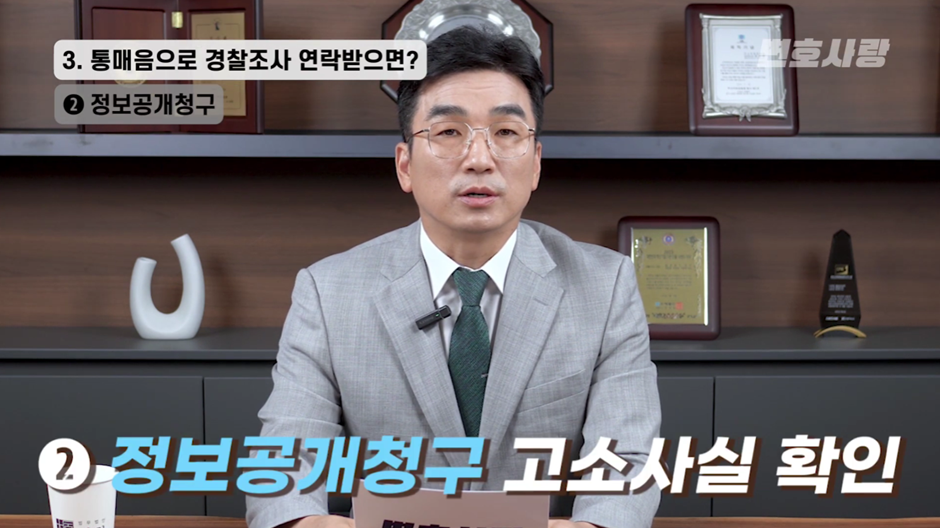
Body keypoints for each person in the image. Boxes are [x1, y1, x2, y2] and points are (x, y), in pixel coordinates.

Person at [246, 25, 661, 528]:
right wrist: (305, 523)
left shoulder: (605, 286)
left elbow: (628, 464)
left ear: (535, 163)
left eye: (506, 133)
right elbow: (282, 466)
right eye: (448, 133)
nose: (480, 160)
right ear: (405, 165)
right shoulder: (328, 292)